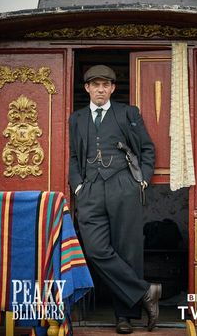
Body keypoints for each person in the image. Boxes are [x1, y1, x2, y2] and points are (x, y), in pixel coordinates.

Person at [69, 64, 161, 334]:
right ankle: (145, 292)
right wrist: (77, 187)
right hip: (90, 189)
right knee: (95, 249)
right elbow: (74, 156)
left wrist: (141, 180)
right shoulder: (77, 118)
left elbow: (146, 148)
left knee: (127, 250)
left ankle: (124, 317)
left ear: (112, 88)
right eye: (95, 85)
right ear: (87, 88)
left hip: (124, 186)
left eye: (105, 85)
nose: (101, 89)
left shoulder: (127, 113)